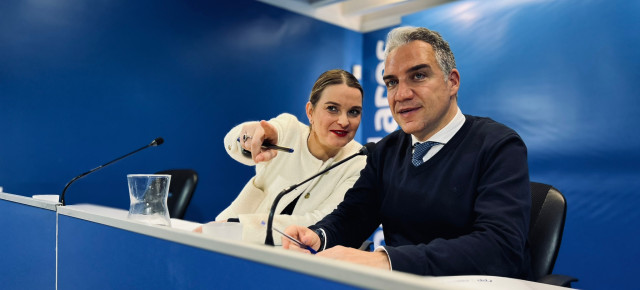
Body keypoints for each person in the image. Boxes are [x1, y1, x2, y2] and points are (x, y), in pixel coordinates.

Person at [282, 27, 533, 280]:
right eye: (391, 82)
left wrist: (385, 261)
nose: (401, 94)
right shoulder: (386, 150)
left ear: (452, 82)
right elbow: (353, 216)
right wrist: (318, 235)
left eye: (419, 76)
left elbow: (500, 248)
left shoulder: (499, 145)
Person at [196, 69, 367, 245]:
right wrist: (248, 138)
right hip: (229, 237)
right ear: (310, 112)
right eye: (332, 109)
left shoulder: (359, 161)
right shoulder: (289, 129)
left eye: (354, 112)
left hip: (292, 256)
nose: (344, 121)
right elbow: (234, 143)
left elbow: (322, 220)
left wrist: (243, 227)